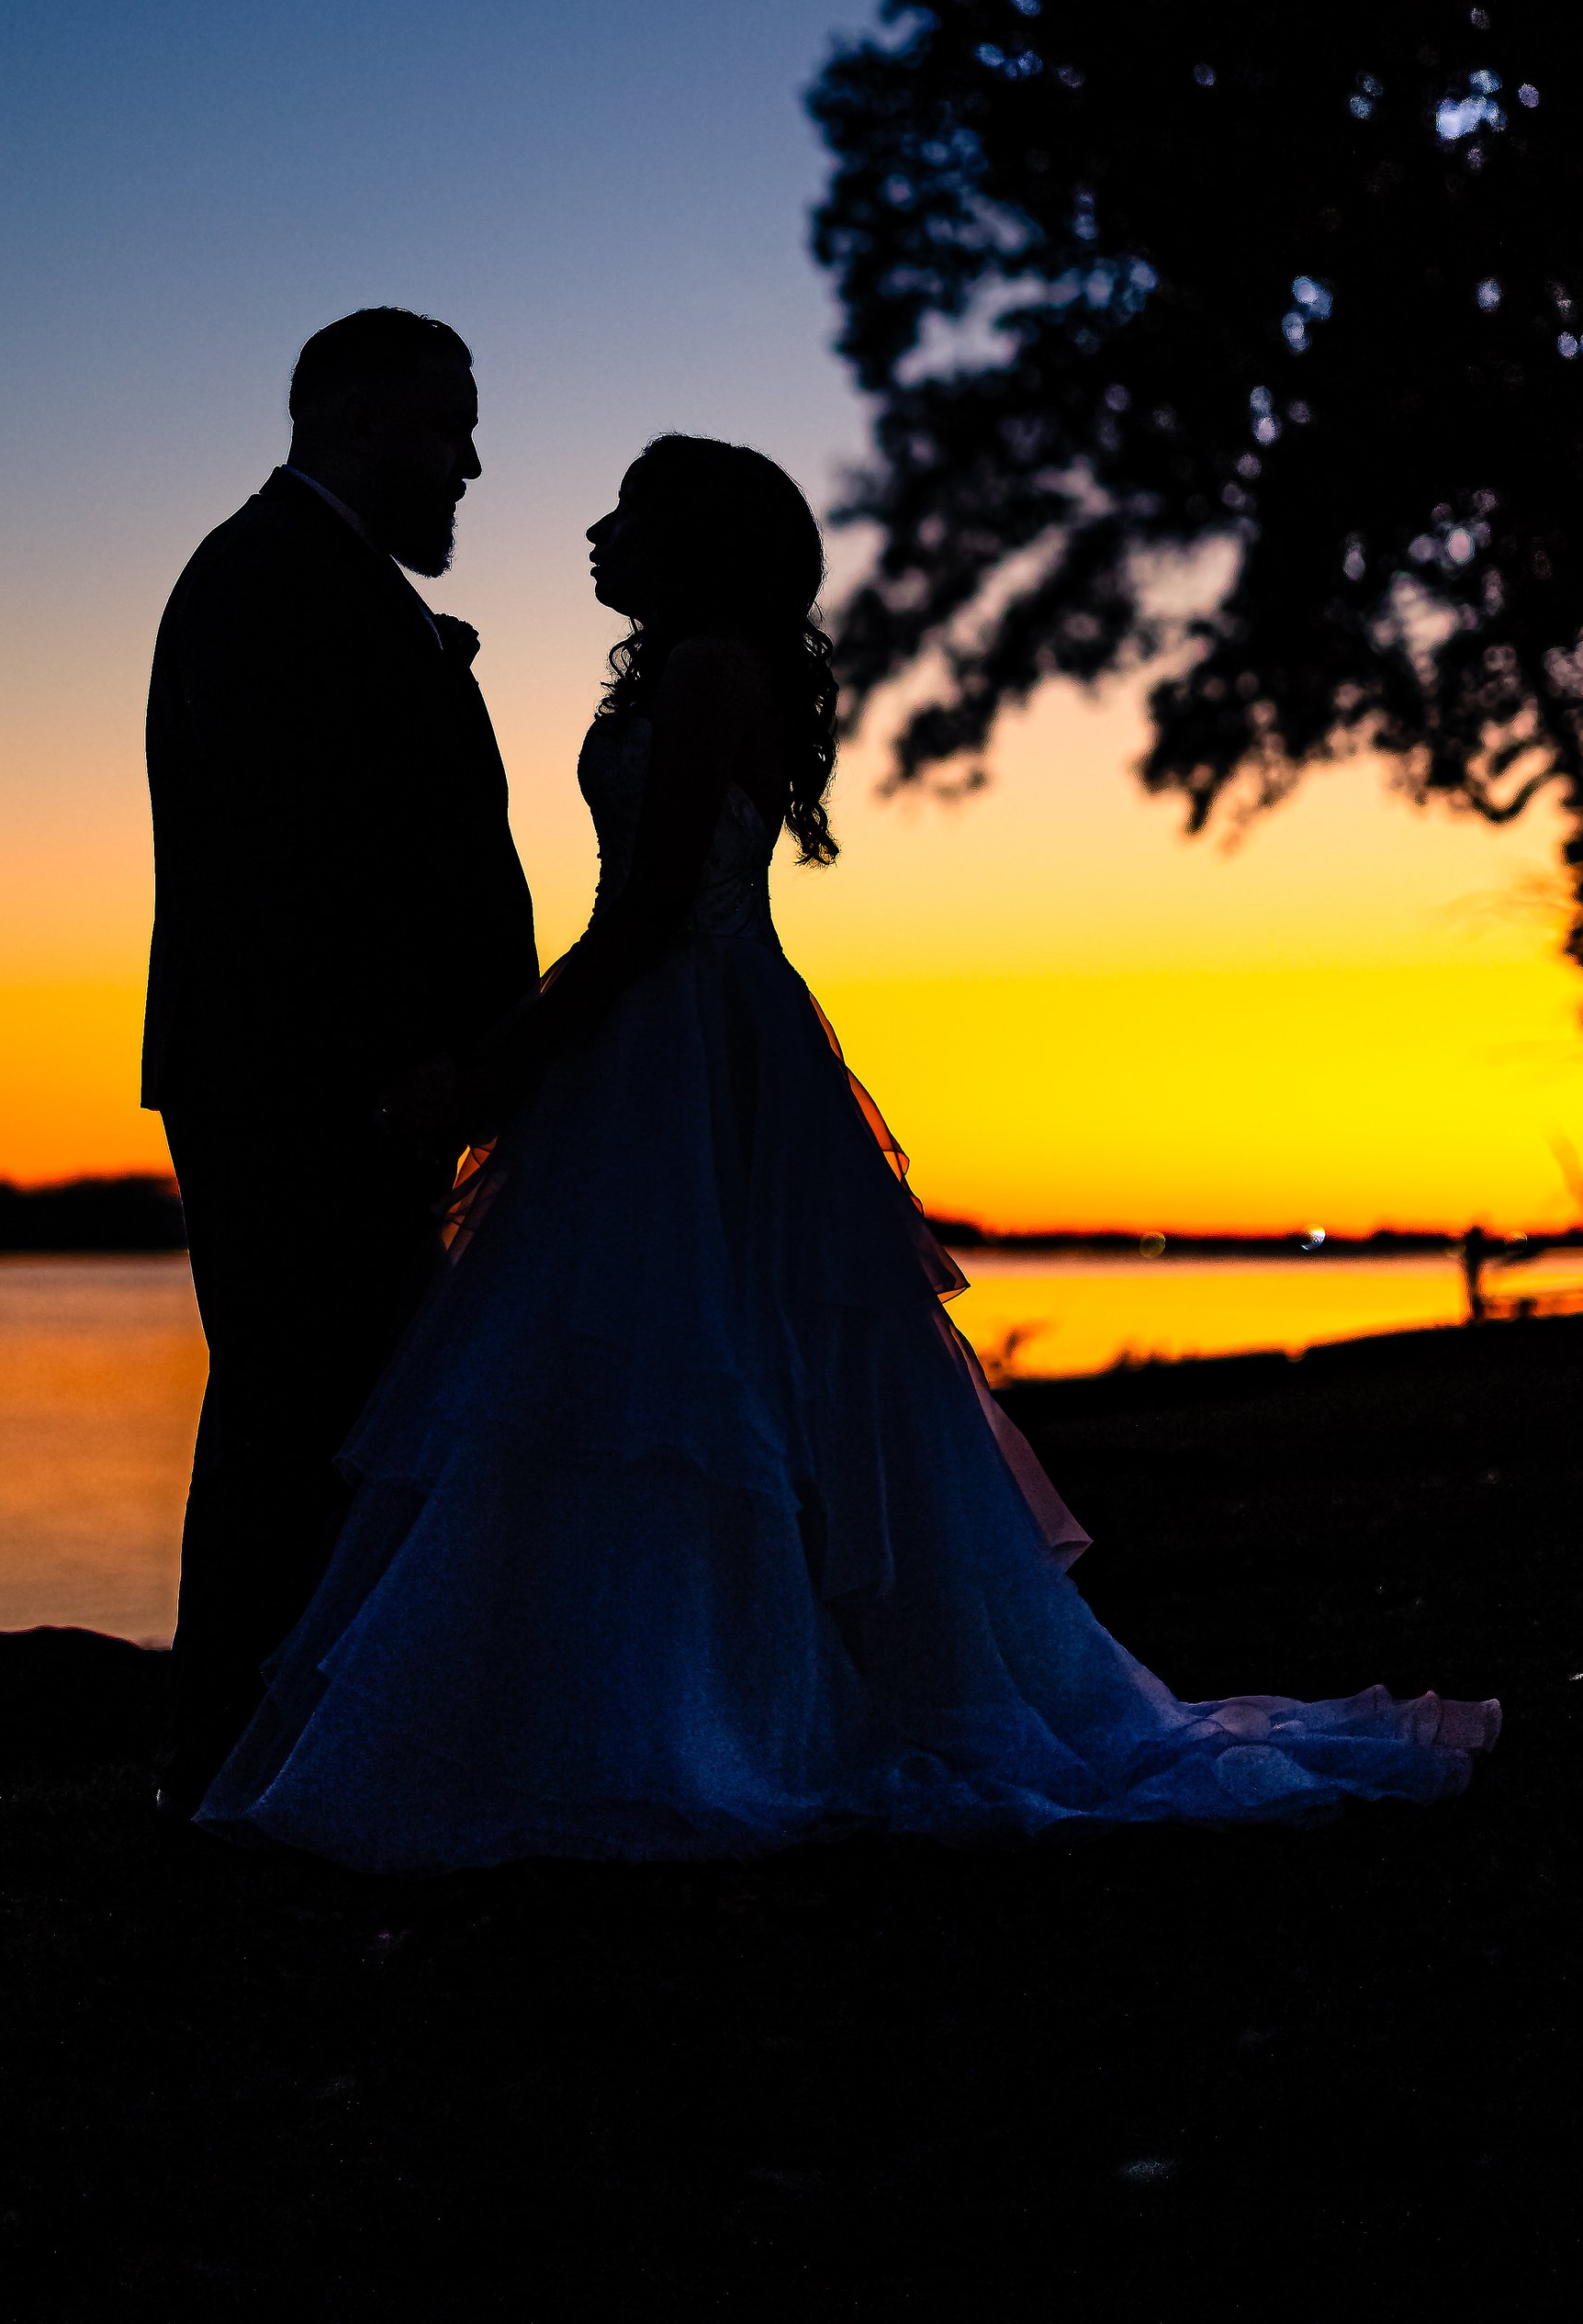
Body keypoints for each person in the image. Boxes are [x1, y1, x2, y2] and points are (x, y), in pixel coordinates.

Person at [197, 431, 1498, 1868]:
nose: (595, 530)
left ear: (690, 540)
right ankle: (648, 1694)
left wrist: (491, 1074)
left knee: (689, 1376)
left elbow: (642, 918)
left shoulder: (707, 672)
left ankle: (695, 1710)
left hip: (690, 1045)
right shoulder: (686, 665)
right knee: (672, 1380)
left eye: (627, 510)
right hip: (670, 1039)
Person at [143, 309, 536, 1813]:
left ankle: (282, 1751)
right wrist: (409, 1061)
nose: (473, 462)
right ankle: (238, 1764)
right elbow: (284, 871)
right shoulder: (265, 582)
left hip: (342, 1083)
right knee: (295, 1415)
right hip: (308, 1086)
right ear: (366, 419)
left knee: (323, 1417)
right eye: (452, 426)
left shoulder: (318, 581)